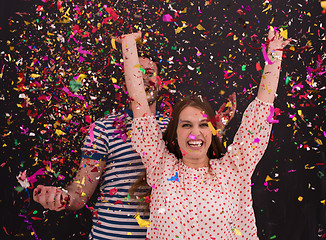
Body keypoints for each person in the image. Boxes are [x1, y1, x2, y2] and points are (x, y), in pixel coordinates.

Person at [33, 53, 236, 239]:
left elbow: (203, 178)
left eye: (149, 73)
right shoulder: (103, 128)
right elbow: (80, 192)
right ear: (125, 85)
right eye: (135, 74)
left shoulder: (177, 128)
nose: (143, 80)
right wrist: (64, 197)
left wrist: (214, 134)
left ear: (160, 83)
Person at [117, 27, 291, 239]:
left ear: (212, 131)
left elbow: (262, 109)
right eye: (187, 125)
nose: (195, 133)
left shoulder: (234, 170)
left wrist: (275, 53)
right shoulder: (161, 166)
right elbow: (140, 106)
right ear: (175, 133)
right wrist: (128, 44)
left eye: (202, 124)